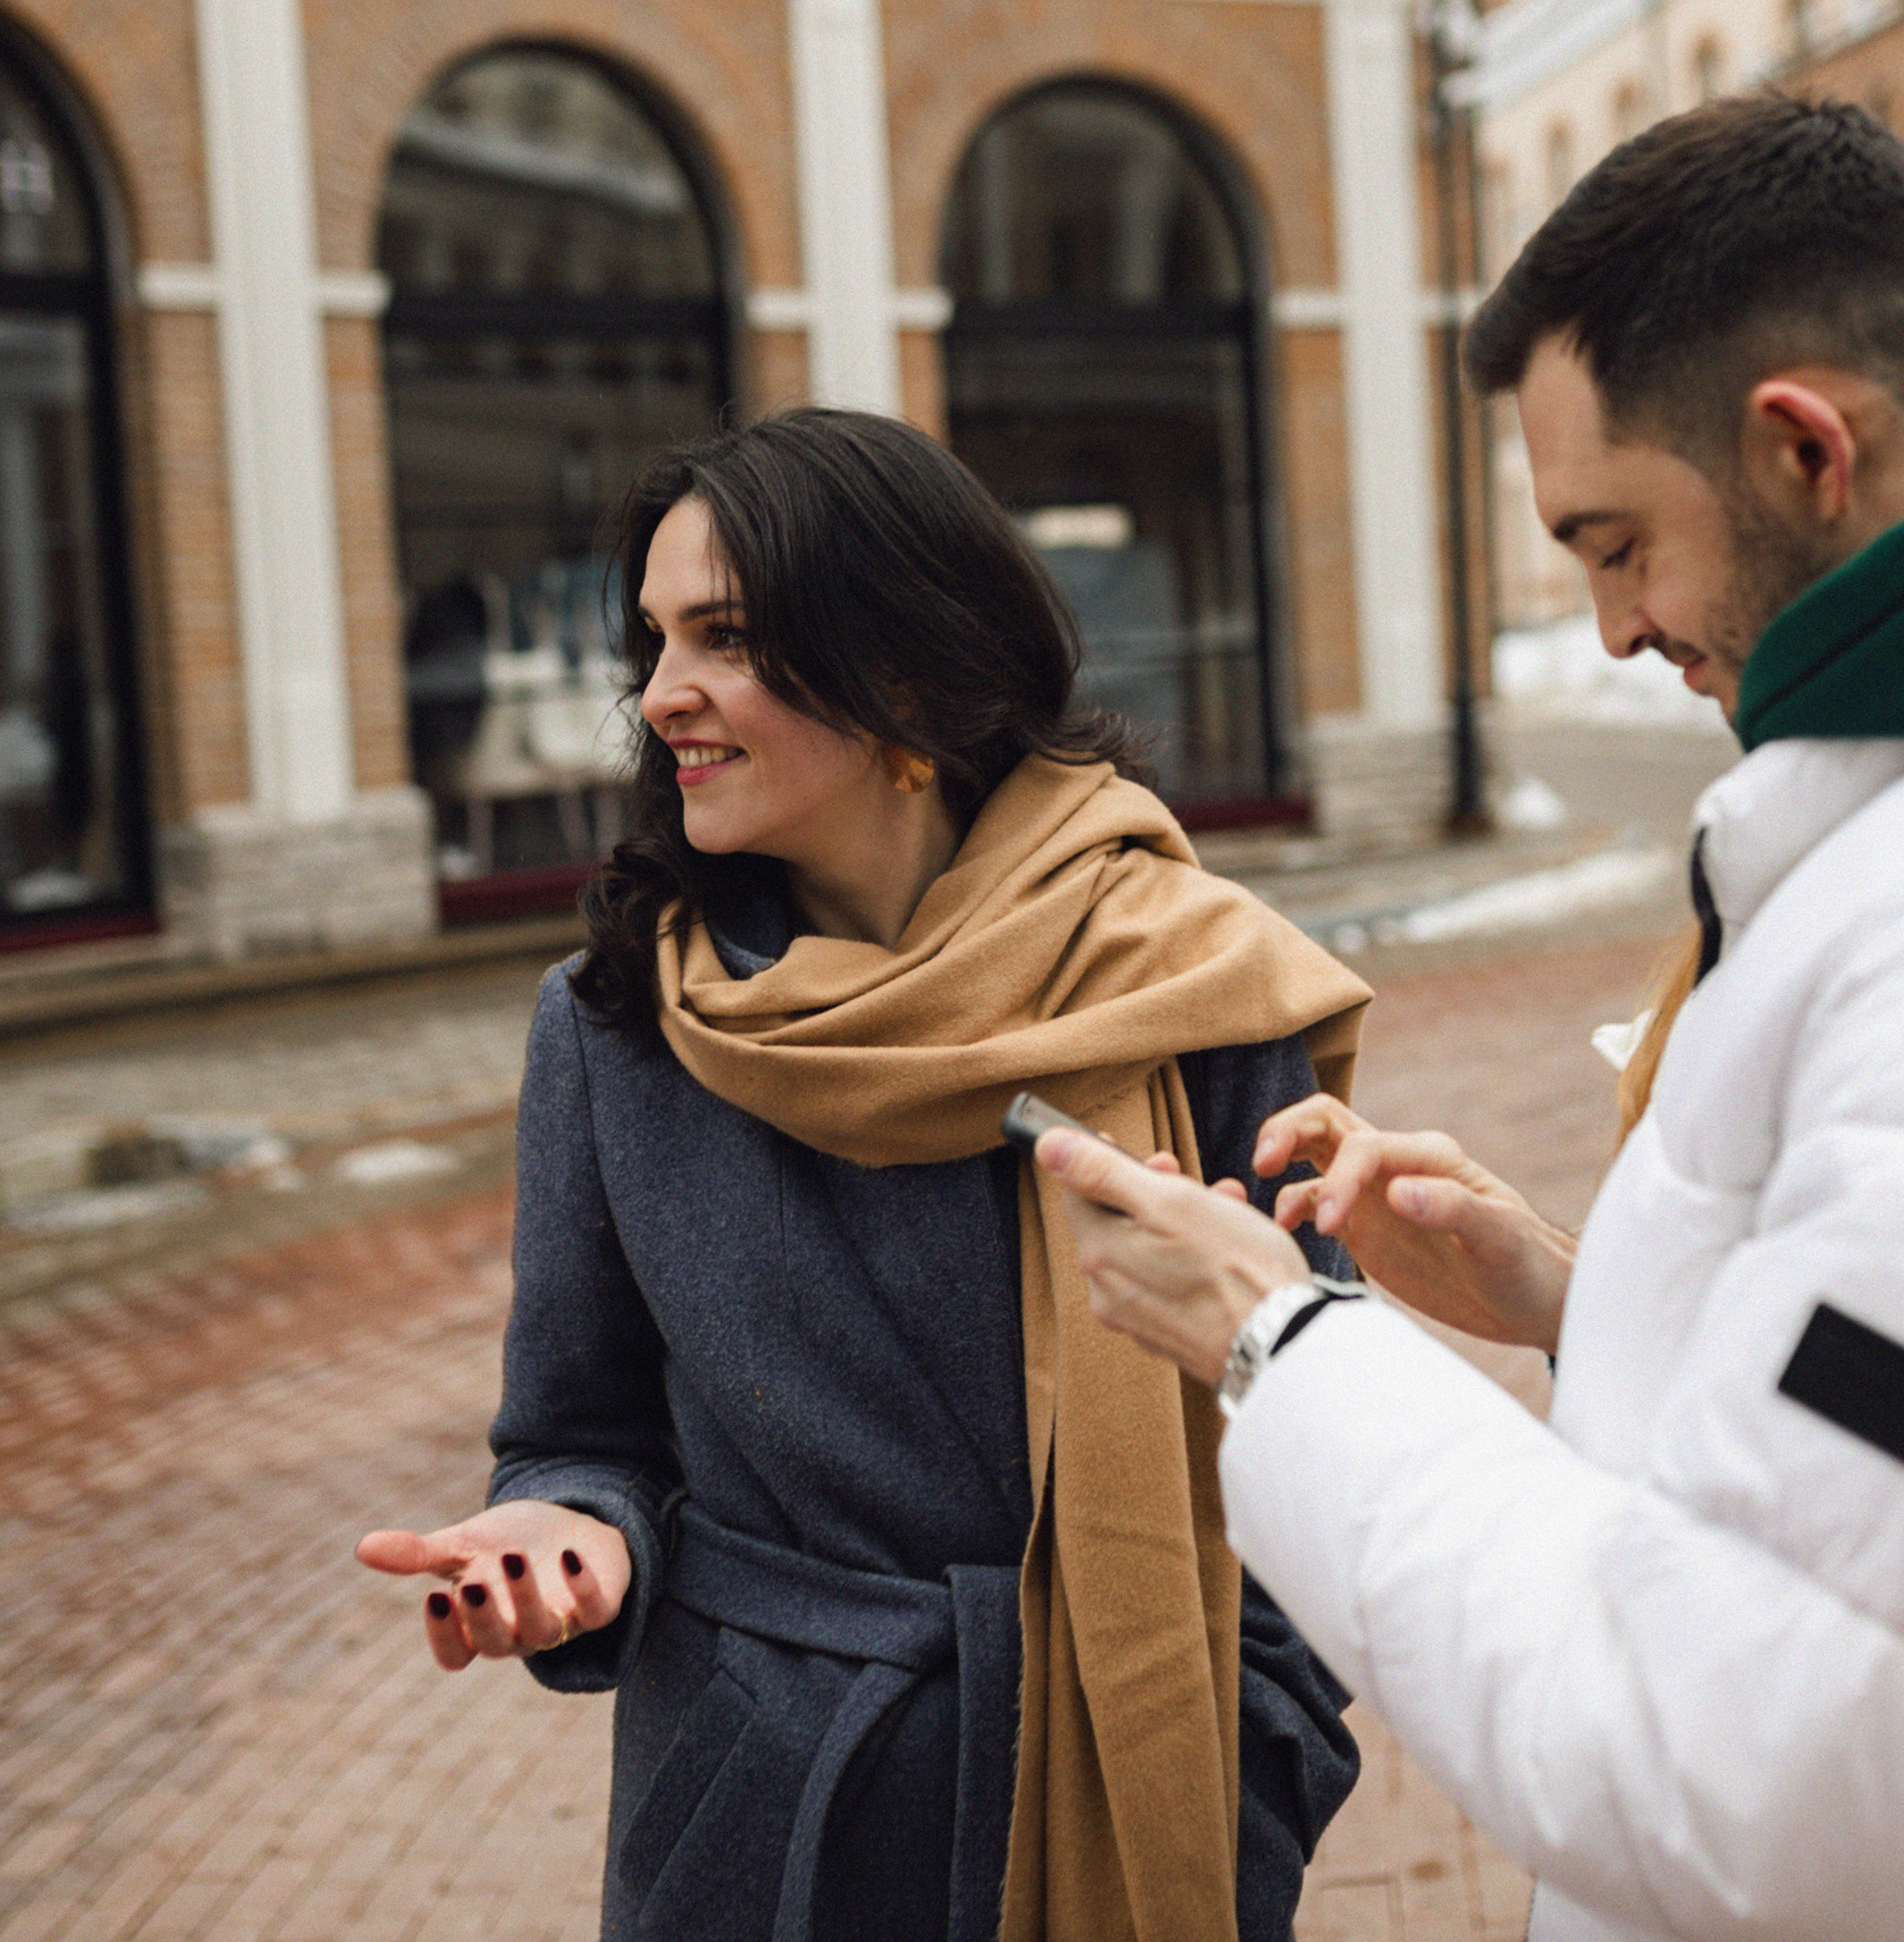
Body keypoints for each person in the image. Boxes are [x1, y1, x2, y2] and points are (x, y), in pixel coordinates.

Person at [1042, 95, 1904, 1942]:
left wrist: (1272, 1343)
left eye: (1616, 540)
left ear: (1800, 448)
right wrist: (1590, 1297)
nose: (1614, 627)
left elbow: (1747, 1784)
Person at [356, 408, 1374, 1942]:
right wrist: (568, 1533)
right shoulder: (625, 1021)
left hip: (1140, 1787)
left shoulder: (1185, 979)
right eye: (655, 639)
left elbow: (1320, 1422)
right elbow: (577, 1433)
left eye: (725, 636)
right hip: (768, 1843)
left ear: (903, 668)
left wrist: (1258, 1771)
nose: (662, 692)